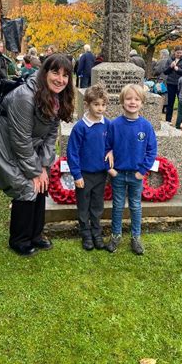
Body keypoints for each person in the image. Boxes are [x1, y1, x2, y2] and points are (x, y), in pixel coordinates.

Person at [0, 54, 75, 256]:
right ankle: (19, 239)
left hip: (25, 143)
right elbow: (21, 140)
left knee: (42, 184)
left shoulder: (58, 98)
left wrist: (44, 167)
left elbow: (51, 135)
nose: (60, 79)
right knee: (26, 186)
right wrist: (35, 172)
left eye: (65, 75)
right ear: (45, 72)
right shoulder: (25, 98)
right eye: (55, 72)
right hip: (0, 141)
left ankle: (35, 235)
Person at [105, 84, 157, 255]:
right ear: (122, 101)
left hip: (136, 175)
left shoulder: (146, 126)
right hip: (118, 174)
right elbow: (106, 148)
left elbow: (151, 151)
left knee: (135, 205)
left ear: (142, 103)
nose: (132, 102)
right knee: (118, 205)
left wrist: (142, 171)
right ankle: (116, 235)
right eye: (128, 99)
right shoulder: (114, 125)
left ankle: (136, 237)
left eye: (136, 99)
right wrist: (110, 169)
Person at [67, 83, 111, 251]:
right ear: (87, 104)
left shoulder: (107, 124)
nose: (100, 108)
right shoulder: (80, 127)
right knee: (84, 205)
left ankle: (96, 232)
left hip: (100, 174)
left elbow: (110, 145)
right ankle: (85, 233)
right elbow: (73, 152)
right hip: (84, 174)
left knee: (97, 205)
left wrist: (111, 156)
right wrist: (77, 175)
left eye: (103, 104)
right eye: (96, 104)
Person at [163, 46, 182, 124]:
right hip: (171, 83)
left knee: (181, 102)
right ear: (174, 52)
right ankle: (168, 120)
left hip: (181, 84)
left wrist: (178, 69)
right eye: (177, 53)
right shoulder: (169, 59)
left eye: (180, 53)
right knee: (170, 102)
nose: (179, 54)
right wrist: (170, 67)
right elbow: (165, 72)